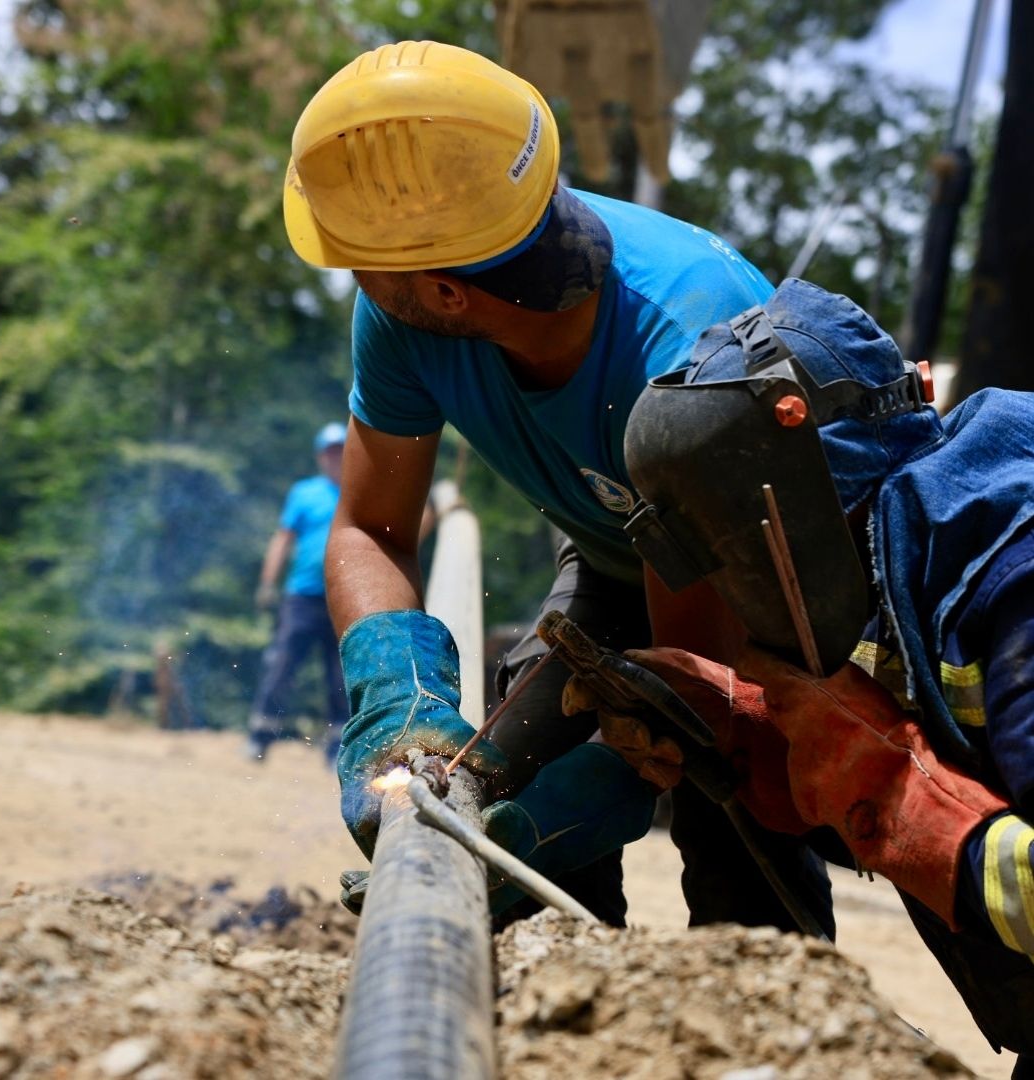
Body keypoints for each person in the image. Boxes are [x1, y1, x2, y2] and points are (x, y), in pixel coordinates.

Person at [283, 39, 835, 933]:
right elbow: (372, 530)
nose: (356, 283)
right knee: (509, 767)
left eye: (364, 266)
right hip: (631, 553)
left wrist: (545, 815)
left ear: (449, 293)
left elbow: (691, 683)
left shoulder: (691, 349)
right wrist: (397, 694)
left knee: (733, 802)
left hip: (775, 596)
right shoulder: (408, 307)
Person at [585, 278, 1034, 1074]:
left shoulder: (1014, 581)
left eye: (736, 561)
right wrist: (761, 740)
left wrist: (906, 802)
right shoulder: (924, 546)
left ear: (795, 511)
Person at [246, 422, 348, 763]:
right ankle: (260, 736)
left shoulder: (360, 491)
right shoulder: (304, 493)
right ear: (321, 457)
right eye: (330, 452)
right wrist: (267, 582)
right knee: (282, 665)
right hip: (301, 597)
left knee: (340, 676)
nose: (336, 458)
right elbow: (283, 539)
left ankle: (336, 747)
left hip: (343, 598)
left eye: (341, 451)